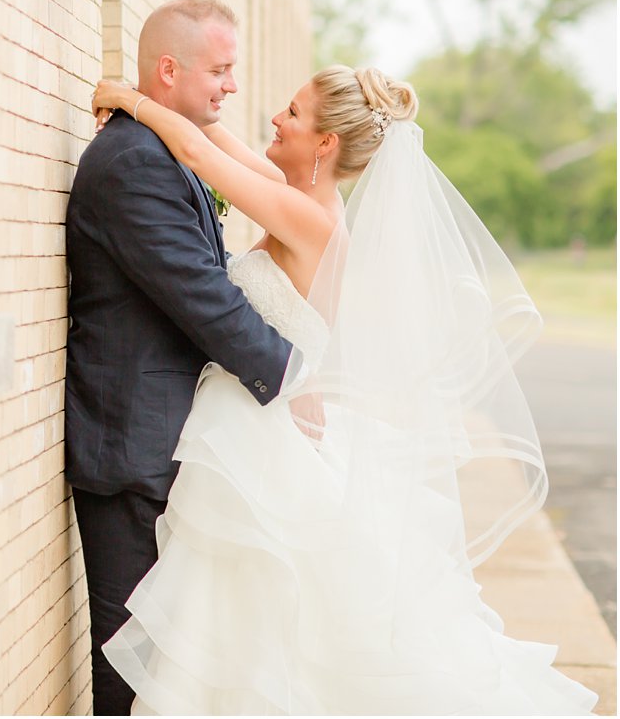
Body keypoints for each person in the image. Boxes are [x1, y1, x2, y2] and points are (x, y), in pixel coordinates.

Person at [88, 65, 599, 714]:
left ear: (325, 144)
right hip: (265, 417)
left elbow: (195, 152)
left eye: (294, 113)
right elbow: (214, 140)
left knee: (254, 621)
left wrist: (126, 98)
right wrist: (186, 94)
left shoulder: (309, 218)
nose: (277, 118)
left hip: (259, 434)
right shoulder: (300, 198)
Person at [63, 0, 294, 716]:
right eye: (220, 71)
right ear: (170, 70)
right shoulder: (135, 162)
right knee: (137, 666)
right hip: (134, 447)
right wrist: (293, 375)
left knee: (172, 659)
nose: (231, 87)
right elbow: (202, 298)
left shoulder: (163, 147)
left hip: (163, 443)